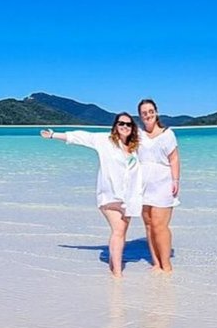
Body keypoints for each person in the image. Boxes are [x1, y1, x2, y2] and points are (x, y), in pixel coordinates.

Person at [41, 113, 143, 278]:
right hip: (109, 196)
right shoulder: (105, 141)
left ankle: (113, 264)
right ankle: (117, 274)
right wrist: (54, 135)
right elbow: (82, 137)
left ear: (133, 128)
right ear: (115, 126)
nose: (125, 126)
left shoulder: (134, 148)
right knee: (118, 230)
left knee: (121, 232)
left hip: (128, 198)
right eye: (121, 123)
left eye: (128, 124)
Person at [137, 98, 180, 273]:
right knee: (148, 224)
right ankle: (156, 263)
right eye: (144, 113)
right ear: (140, 116)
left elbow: (174, 158)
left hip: (163, 184)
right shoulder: (138, 135)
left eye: (150, 111)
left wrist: (175, 180)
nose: (148, 115)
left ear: (156, 112)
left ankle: (167, 266)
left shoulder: (167, 134)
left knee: (159, 225)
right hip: (142, 185)